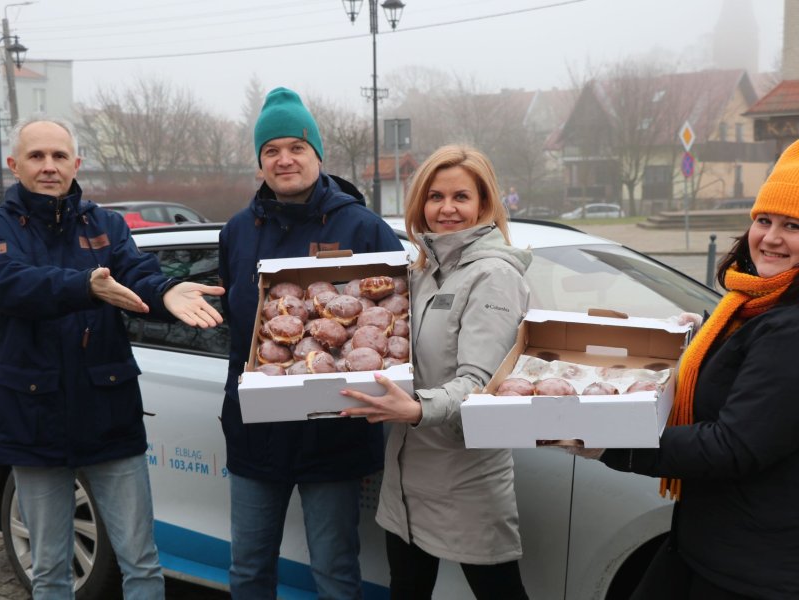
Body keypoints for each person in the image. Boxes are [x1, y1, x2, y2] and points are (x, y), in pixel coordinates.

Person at [0, 117, 225, 599]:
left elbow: (137, 275)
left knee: (141, 563)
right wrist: (85, 286)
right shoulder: (1, 228)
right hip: (33, 420)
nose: (49, 166)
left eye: (59, 156)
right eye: (37, 156)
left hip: (109, 415)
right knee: (50, 571)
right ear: (14, 164)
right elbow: (11, 283)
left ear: (76, 163)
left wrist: (165, 290)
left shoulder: (106, 225)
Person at [575, 139, 799, 599]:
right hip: (709, 542)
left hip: (752, 570)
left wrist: (613, 444)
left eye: (793, 226)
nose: (771, 237)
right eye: (764, 220)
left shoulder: (789, 328)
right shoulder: (750, 306)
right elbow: (743, 382)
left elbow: (733, 445)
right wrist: (701, 344)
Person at [218, 87, 403, 599]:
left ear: (318, 154)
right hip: (257, 432)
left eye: (297, 147)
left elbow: (397, 314)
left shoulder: (362, 226)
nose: (285, 159)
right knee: (249, 569)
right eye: (271, 150)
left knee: (335, 571)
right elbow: (240, 323)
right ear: (260, 162)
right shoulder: (238, 232)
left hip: (334, 431)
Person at [341, 144, 531, 600]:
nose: (447, 208)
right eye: (435, 196)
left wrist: (416, 409)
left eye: (461, 196)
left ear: (483, 204)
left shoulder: (494, 276)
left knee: (499, 592)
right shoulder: (423, 272)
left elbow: (480, 383)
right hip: (407, 472)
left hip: (465, 475)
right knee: (407, 590)